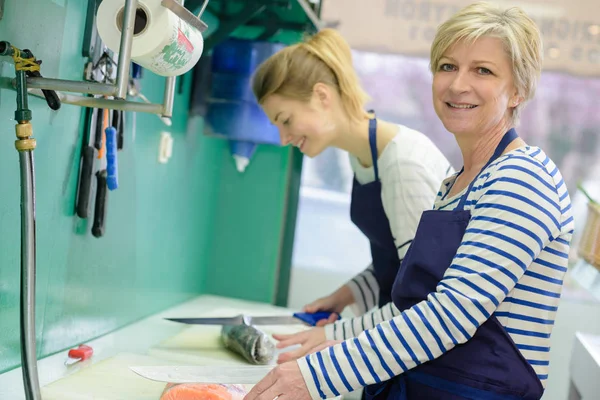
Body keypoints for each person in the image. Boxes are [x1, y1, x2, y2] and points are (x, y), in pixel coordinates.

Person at [243, 2, 575, 400]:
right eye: (447, 66)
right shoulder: (455, 185)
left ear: (518, 90)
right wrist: (338, 340)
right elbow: (413, 298)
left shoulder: (524, 177)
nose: (457, 85)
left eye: (483, 70)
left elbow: (452, 314)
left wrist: (318, 372)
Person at [251, 12, 454, 360]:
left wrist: (333, 334)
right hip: (397, 340)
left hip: (428, 356)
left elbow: (422, 294)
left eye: (286, 120)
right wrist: (344, 295)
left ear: (322, 96)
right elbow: (399, 260)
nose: (283, 138)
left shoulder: (402, 162)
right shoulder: (363, 158)